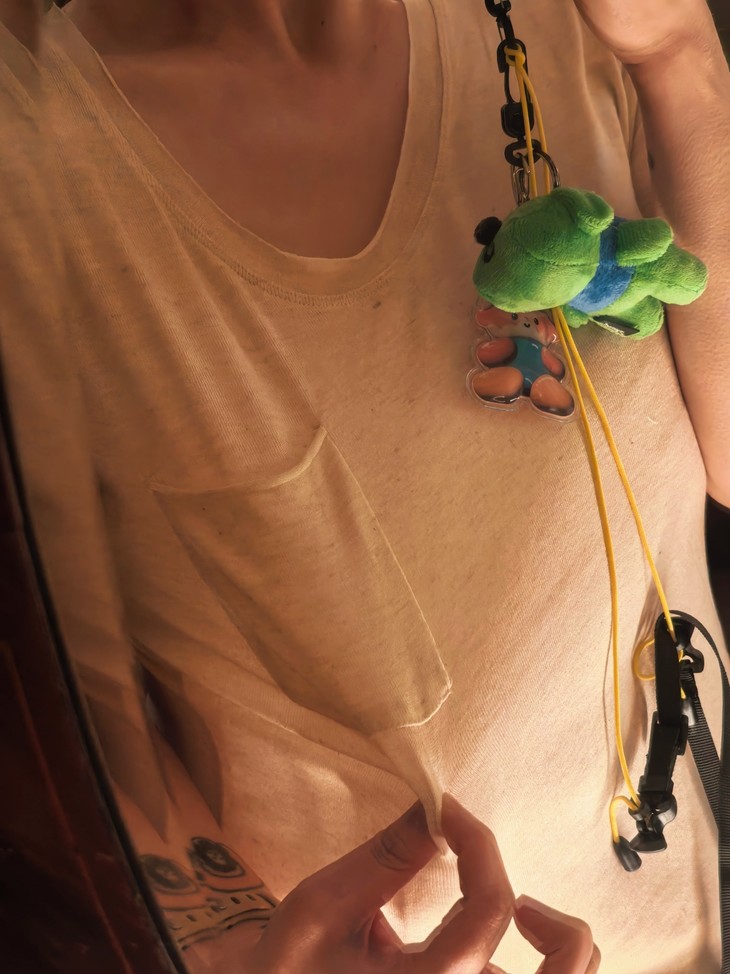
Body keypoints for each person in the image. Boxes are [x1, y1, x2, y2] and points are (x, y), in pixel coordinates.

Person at [0, 0, 728, 970]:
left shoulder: (567, 24)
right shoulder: (35, 147)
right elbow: (62, 702)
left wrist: (679, 58)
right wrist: (229, 949)